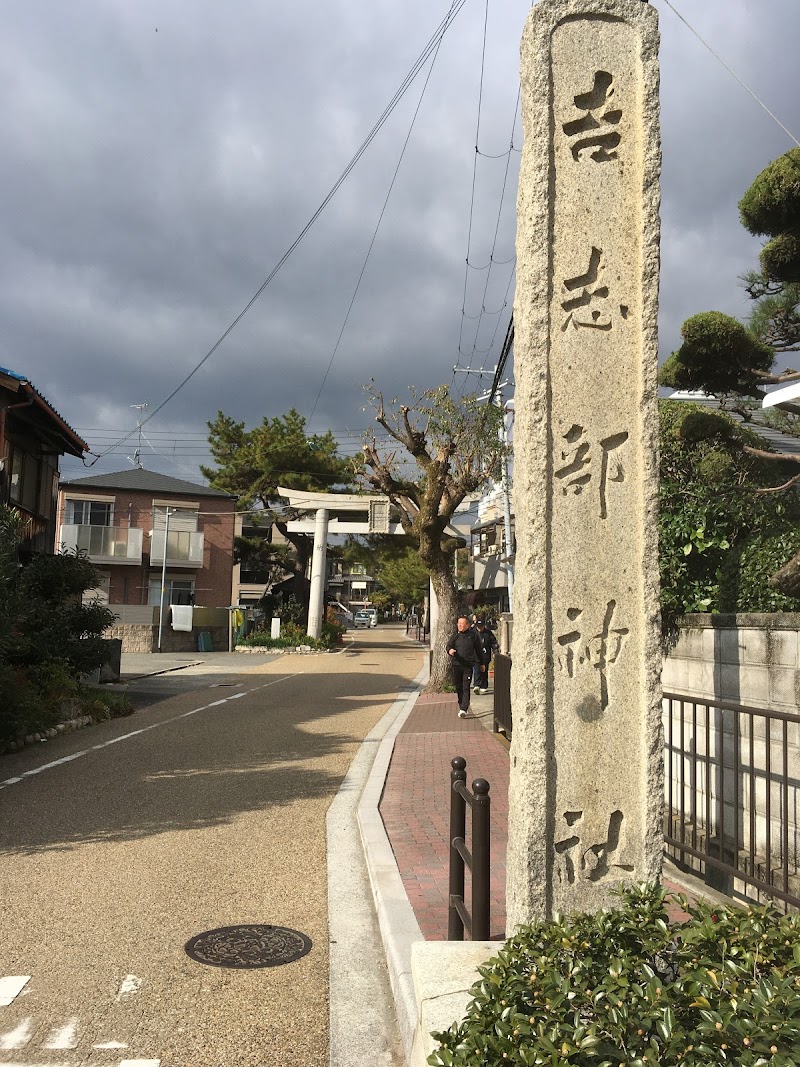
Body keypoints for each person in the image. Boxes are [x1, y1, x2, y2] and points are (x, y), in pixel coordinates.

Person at [446, 615, 482, 717]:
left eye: (462, 624)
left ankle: (464, 708)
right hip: (456, 665)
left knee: (466, 687)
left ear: (468, 625)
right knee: (459, 687)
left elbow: (479, 650)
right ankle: (461, 703)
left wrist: (482, 663)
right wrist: (450, 651)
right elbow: (448, 646)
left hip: (468, 666)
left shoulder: (473, 636)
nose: (460, 626)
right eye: (458, 624)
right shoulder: (455, 636)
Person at [472, 617, 498, 694]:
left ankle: (483, 685)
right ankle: (477, 685)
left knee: (484, 670)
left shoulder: (488, 633)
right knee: (477, 669)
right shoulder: (473, 633)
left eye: (481, 626)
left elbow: (493, 643)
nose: (480, 628)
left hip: (485, 655)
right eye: (478, 627)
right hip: (476, 655)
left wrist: (495, 651)